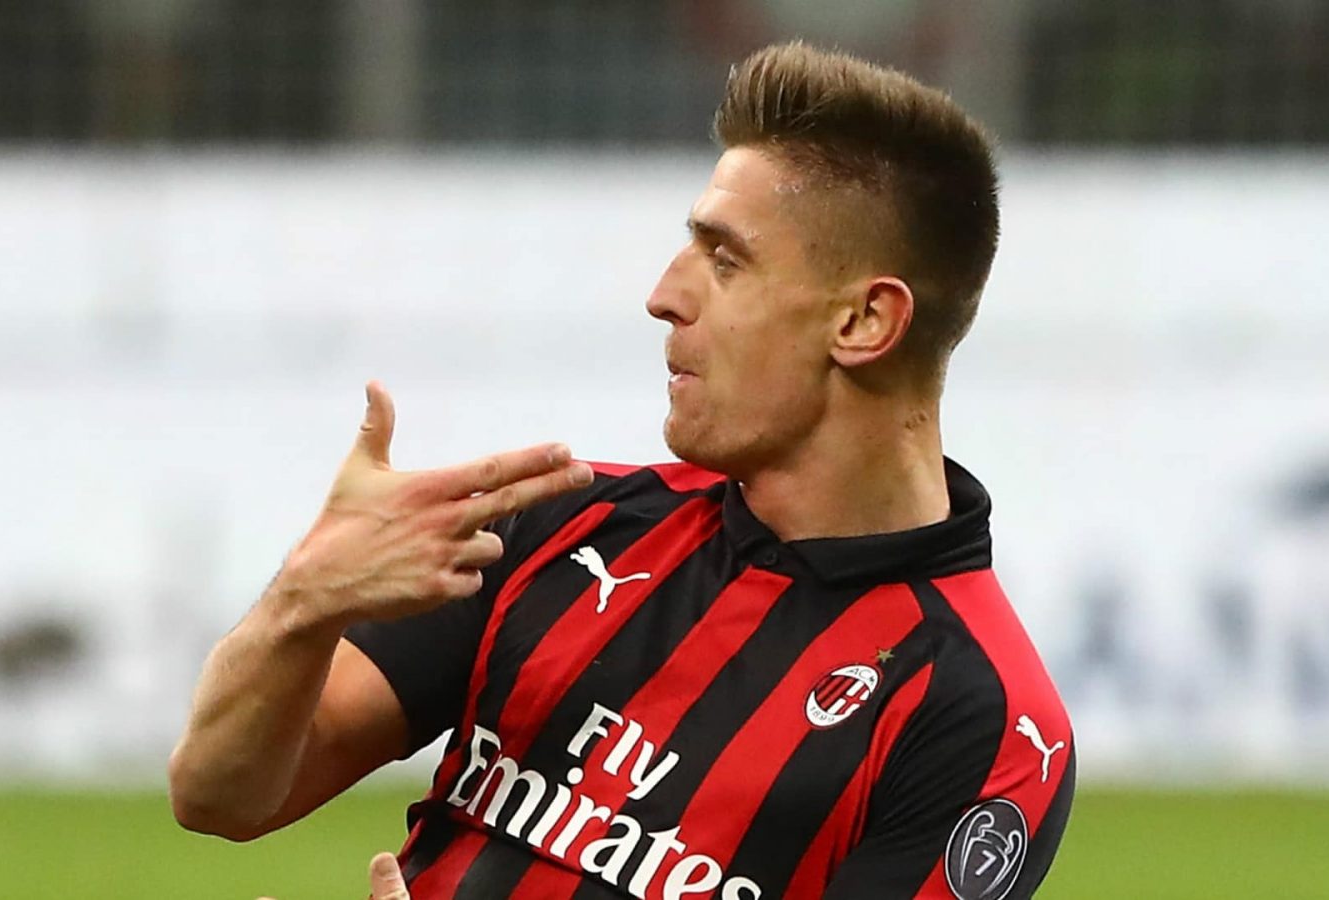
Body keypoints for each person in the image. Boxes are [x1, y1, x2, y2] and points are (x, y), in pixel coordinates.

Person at [170, 42, 1074, 900]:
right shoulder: (563, 525)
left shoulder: (983, 719)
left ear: (864, 323)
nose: (664, 296)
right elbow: (220, 794)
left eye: (725, 260)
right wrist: (303, 601)